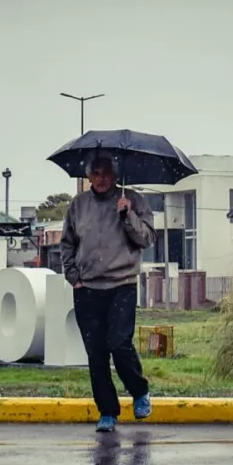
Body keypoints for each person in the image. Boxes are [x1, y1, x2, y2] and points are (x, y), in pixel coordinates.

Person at [60, 154, 156, 433]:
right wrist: (73, 277)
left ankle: (139, 392)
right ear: (88, 176)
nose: (101, 178)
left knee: (119, 343)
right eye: (96, 173)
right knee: (96, 354)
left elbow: (147, 239)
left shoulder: (133, 200)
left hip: (122, 285)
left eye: (106, 173)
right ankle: (107, 412)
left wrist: (128, 215)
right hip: (87, 289)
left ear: (115, 175)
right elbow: (67, 243)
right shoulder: (78, 205)